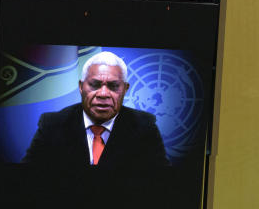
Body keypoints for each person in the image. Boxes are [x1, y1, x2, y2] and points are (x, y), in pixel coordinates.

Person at [21, 51, 169, 168]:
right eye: (95, 85)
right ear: (80, 87)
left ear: (125, 89)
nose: (103, 94)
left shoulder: (145, 127)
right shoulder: (52, 124)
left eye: (113, 86)